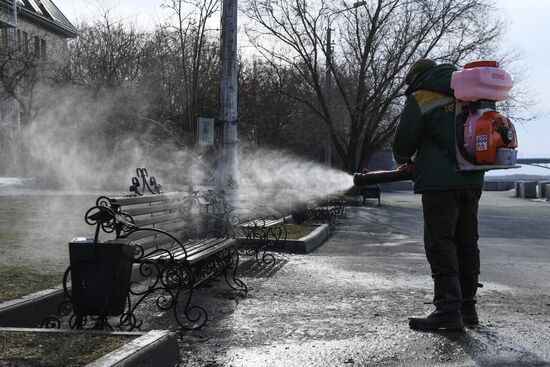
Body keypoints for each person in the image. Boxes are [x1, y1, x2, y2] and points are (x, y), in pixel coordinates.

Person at [392, 58, 484, 331]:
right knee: (466, 242)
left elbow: (403, 142)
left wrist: (404, 158)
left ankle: (447, 310)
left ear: (416, 77)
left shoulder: (422, 96)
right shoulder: (469, 93)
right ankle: (467, 308)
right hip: (472, 179)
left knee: (440, 243)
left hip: (439, 184)